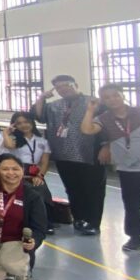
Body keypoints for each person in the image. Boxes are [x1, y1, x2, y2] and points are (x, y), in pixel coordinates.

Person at [81, 85, 140, 258]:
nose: (112, 99)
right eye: (107, 97)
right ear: (103, 101)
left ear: (122, 95)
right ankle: (134, 238)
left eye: (115, 95)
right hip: (127, 170)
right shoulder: (104, 118)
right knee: (131, 206)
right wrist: (90, 110)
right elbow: (86, 130)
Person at [33, 75, 105, 236]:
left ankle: (93, 222)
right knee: (72, 189)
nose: (63, 89)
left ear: (76, 84)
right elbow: (39, 116)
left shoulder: (93, 102)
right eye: (59, 87)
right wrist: (41, 98)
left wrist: (106, 146)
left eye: (66, 85)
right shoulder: (54, 106)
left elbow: (106, 124)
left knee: (93, 190)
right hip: (63, 154)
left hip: (89, 154)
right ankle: (79, 219)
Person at [2, 111, 54, 231]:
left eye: (26, 122)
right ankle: (24, 222)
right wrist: (6, 132)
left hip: (35, 173)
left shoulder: (42, 141)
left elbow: (44, 162)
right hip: (16, 172)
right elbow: (9, 146)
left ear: (32, 122)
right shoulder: (14, 139)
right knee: (25, 193)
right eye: (19, 123)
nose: (23, 125)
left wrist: (40, 176)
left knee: (42, 192)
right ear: (14, 125)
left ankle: (45, 222)